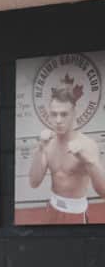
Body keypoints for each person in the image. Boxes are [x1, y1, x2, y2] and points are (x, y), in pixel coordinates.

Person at [28, 88, 105, 224]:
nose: (58, 120)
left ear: (74, 114)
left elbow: (103, 192)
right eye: (54, 114)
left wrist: (89, 162)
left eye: (64, 114)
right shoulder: (48, 144)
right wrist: (40, 149)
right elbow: (34, 183)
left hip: (75, 213)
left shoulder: (87, 144)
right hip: (52, 207)